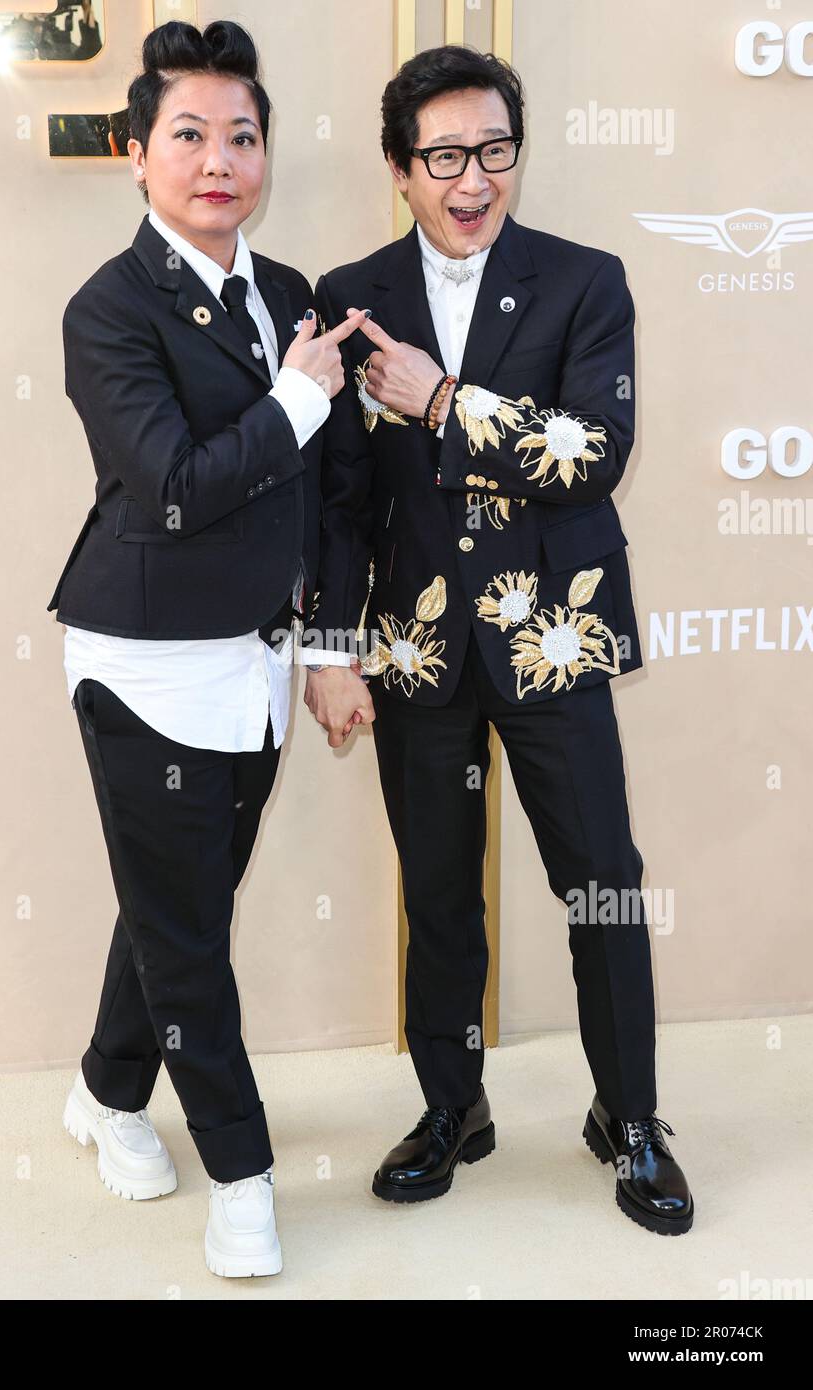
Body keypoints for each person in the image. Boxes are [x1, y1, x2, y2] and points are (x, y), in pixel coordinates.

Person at [302, 44, 693, 1235]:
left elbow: (593, 456)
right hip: (418, 649)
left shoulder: (587, 281)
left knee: (605, 888)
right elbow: (337, 495)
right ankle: (450, 1107)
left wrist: (442, 401)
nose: (474, 179)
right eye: (445, 157)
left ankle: (630, 1119)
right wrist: (327, 645)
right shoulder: (353, 294)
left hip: (554, 637)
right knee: (439, 896)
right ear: (399, 168)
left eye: (495, 150)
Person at [46, 19, 369, 1278]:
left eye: (243, 134)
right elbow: (172, 486)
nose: (219, 158)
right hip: (142, 664)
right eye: (189, 134)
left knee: (176, 906)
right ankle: (243, 1174)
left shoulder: (289, 296)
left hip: (256, 669)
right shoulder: (109, 308)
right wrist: (295, 398)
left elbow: (330, 499)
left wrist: (330, 645)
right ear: (137, 153)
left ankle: (105, 1090)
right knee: (190, 934)